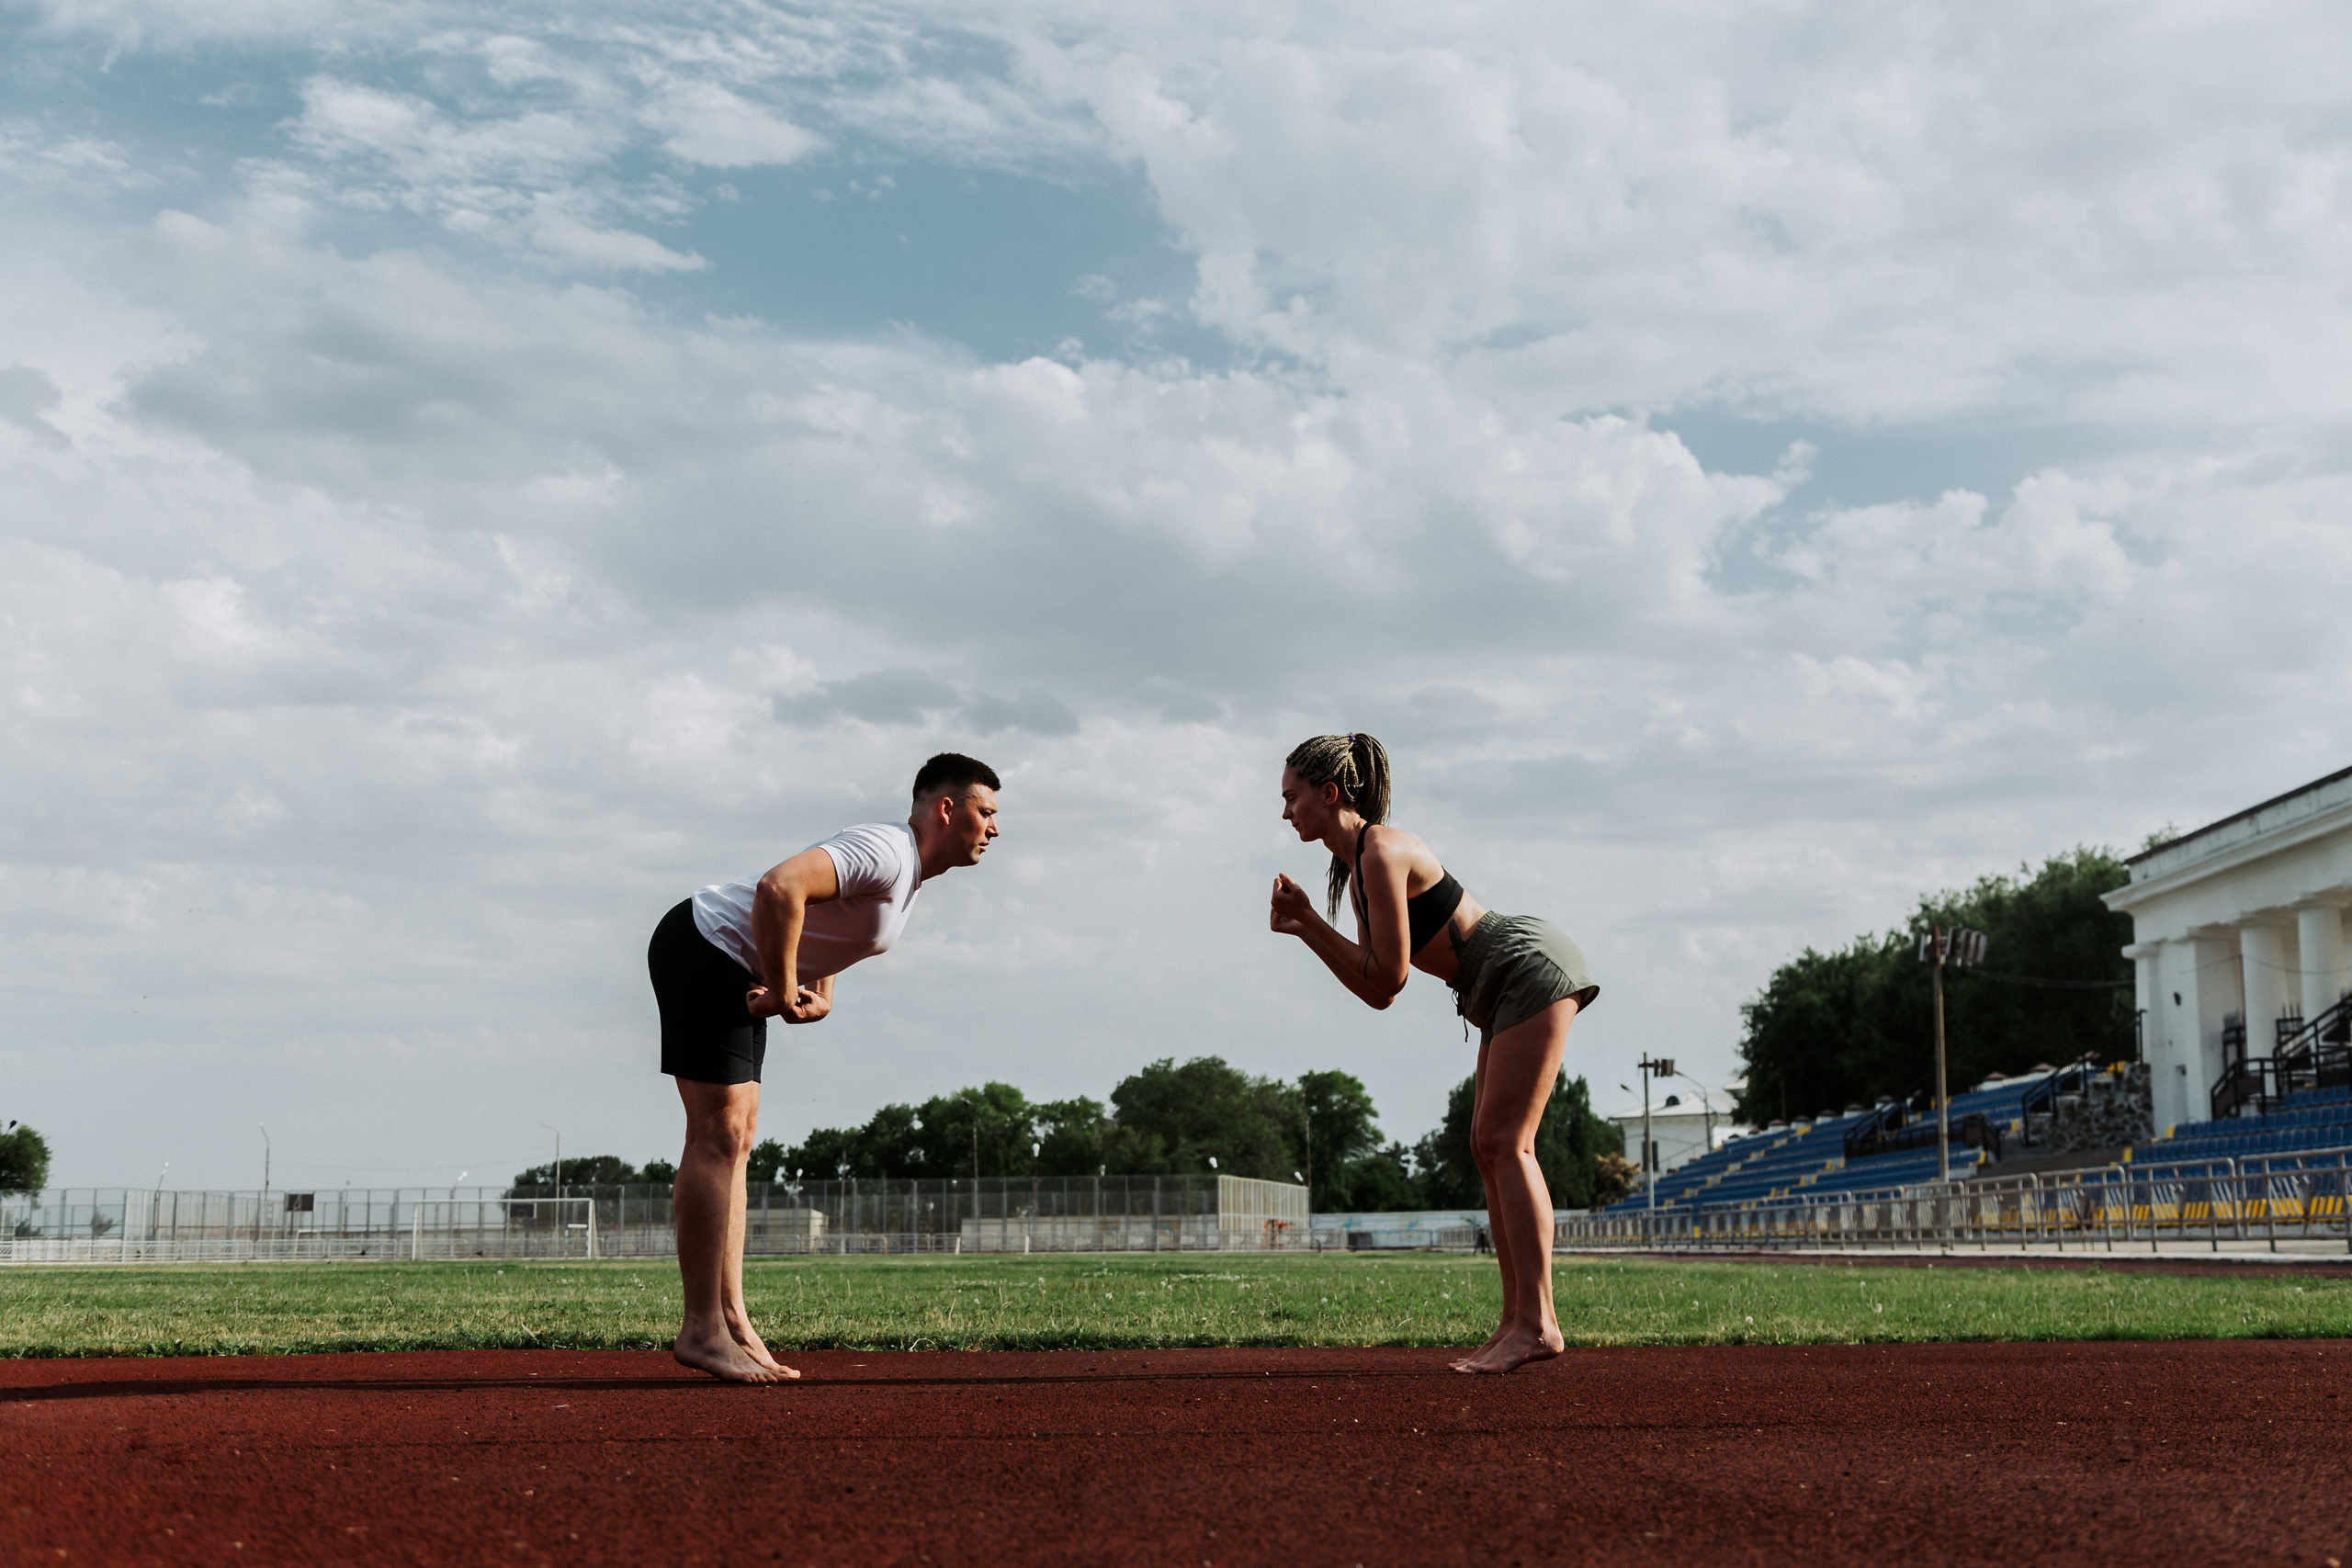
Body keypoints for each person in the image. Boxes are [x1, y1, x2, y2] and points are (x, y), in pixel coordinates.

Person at [648, 752, 1001, 1382]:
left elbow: (822, 914)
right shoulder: (889, 848)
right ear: (948, 808)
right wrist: (784, 989)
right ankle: (701, 1328)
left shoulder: (906, 873)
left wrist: (819, 987)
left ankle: (730, 1320)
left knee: (738, 1140)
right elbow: (781, 887)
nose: (994, 828)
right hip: (705, 946)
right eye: (987, 811)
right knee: (717, 1135)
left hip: (731, 960)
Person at [1268, 733, 1597, 1374]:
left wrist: (1311, 922)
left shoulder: (1381, 851)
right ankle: (1517, 1321)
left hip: (1524, 966)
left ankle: (1539, 1323)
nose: (1285, 813)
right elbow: (1380, 991)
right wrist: (1308, 924)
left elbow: (1388, 976)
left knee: (1507, 1141)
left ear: (1328, 792)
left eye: (1291, 796)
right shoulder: (1359, 865)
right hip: (1497, 982)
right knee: (1488, 1143)